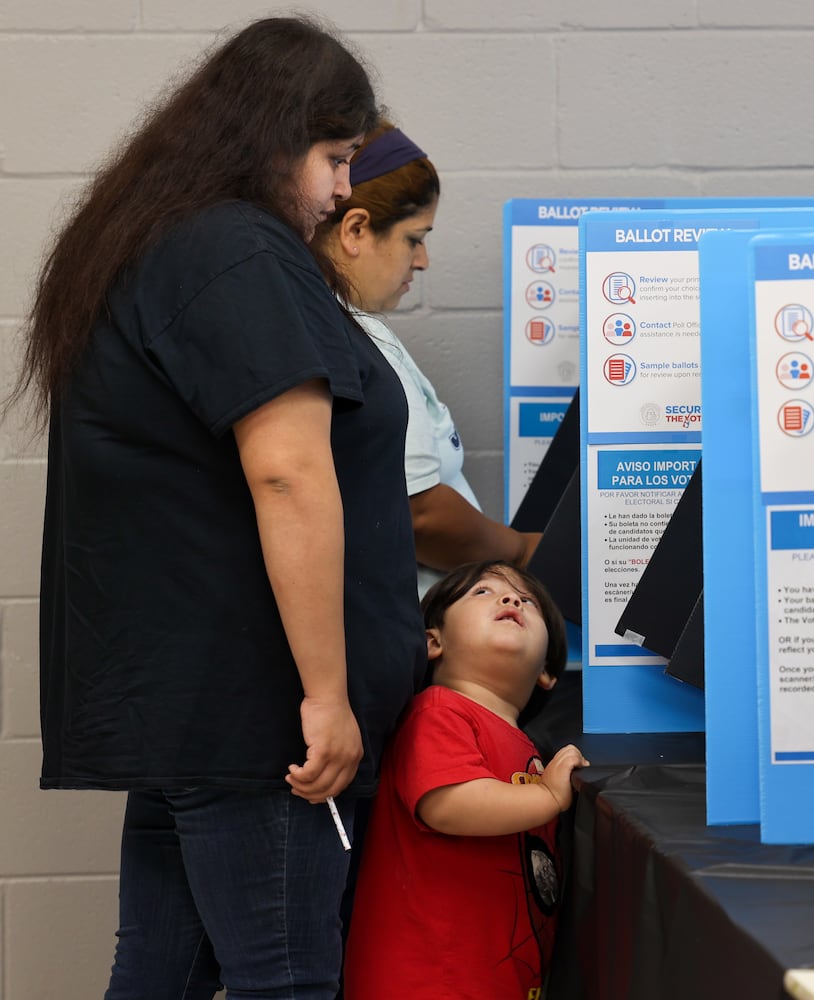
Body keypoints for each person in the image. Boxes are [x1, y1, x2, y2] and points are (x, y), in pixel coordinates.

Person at [10, 16, 426, 1000]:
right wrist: (325, 696)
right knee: (285, 981)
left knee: (157, 974)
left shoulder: (157, 238)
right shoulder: (233, 250)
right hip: (257, 722)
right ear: (269, 137)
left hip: (194, 715)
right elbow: (286, 472)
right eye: (332, 158)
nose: (339, 191)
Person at [311, 123, 541, 596]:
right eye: (415, 238)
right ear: (356, 229)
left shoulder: (313, 322)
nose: (423, 261)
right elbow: (421, 511)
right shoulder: (358, 337)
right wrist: (518, 550)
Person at [341, 560, 589, 999]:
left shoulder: (524, 745)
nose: (512, 599)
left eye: (527, 601)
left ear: (548, 672)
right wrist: (549, 795)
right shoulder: (439, 710)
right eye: (484, 592)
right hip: (427, 980)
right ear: (433, 642)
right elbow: (449, 804)